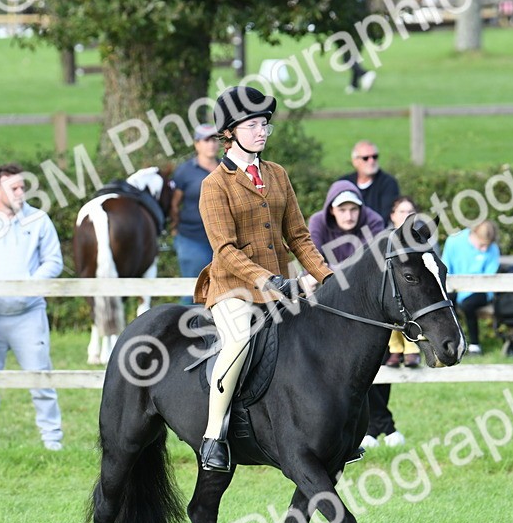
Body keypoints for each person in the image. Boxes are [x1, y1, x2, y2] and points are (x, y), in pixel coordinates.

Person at [194, 86, 334, 471]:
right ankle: (213, 436)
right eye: (252, 125)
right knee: (240, 338)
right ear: (229, 133)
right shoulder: (214, 185)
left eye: (264, 125)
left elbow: (299, 236)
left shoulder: (277, 174)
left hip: (280, 287)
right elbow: (225, 249)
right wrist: (267, 280)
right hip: (233, 288)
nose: (261, 132)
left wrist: (327, 276)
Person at [0, 163, 64, 451]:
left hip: (29, 315)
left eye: (22, 187)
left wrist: (29, 286)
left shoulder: (39, 220)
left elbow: (53, 261)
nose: (20, 192)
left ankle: (52, 443)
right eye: (13, 187)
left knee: (41, 380)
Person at [307, 180, 402, 449]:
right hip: (328, 305)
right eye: (342, 209)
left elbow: (377, 264)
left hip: (367, 307)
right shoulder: (318, 222)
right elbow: (312, 260)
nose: (349, 215)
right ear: (331, 209)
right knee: (345, 371)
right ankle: (383, 426)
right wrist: (346, 272)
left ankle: (373, 428)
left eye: (353, 209)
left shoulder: (373, 221)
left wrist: (337, 271)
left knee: (374, 362)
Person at [170, 123, 220, 303]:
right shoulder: (184, 172)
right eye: (206, 140)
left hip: (222, 239)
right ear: (197, 144)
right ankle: (184, 320)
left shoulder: (227, 167)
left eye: (214, 140)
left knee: (222, 288)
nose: (211, 144)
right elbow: (174, 204)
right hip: (192, 238)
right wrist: (175, 229)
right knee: (193, 289)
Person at [441, 219, 500, 356]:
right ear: (473, 235)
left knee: (468, 305)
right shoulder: (454, 241)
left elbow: (489, 277)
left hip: (481, 290)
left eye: (487, 246)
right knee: (446, 302)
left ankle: (475, 345)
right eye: (481, 245)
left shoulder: (493, 249)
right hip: (454, 286)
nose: (484, 249)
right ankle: (452, 342)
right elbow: (446, 267)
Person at [385, 196, 422, 368]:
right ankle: (396, 348)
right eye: (402, 211)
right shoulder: (385, 238)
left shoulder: (422, 236)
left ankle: (410, 348)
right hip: (391, 287)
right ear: (393, 215)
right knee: (391, 303)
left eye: (410, 212)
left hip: (417, 286)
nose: (406, 215)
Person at [340, 141, 401, 222]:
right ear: (355, 161)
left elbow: (385, 217)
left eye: (374, 157)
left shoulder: (388, 183)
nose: (371, 161)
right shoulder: (344, 183)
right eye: (365, 158)